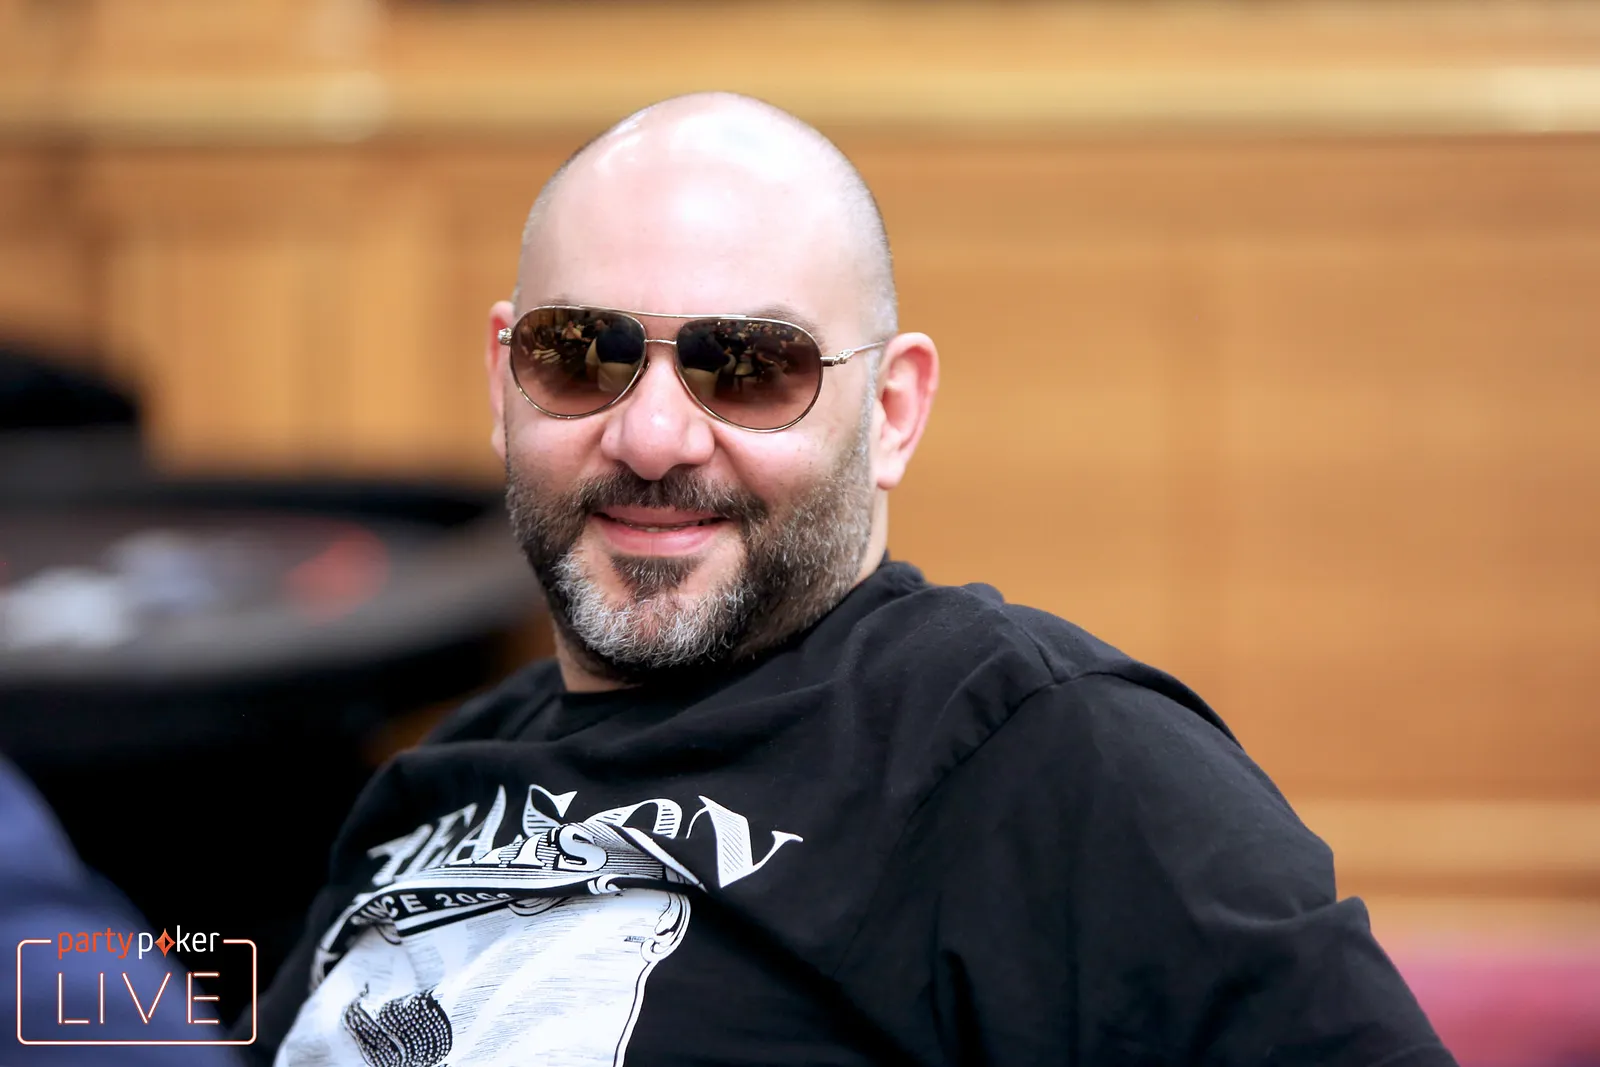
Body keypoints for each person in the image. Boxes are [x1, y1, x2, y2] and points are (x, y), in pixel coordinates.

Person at [248, 92, 1455, 1066]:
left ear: (891, 411)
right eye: (581, 355)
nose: (652, 436)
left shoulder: (1045, 752)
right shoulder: (437, 775)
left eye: (748, 366)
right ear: (505, 379)